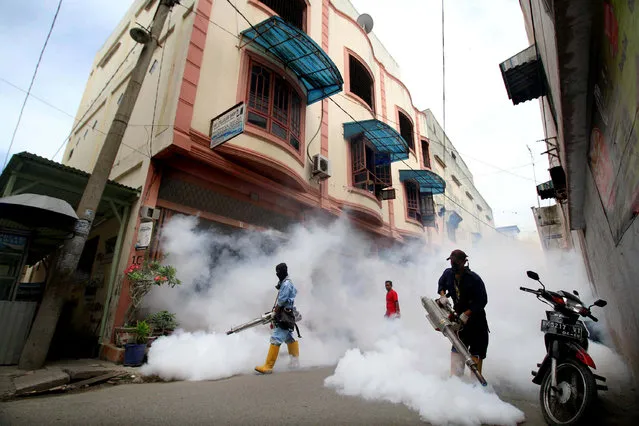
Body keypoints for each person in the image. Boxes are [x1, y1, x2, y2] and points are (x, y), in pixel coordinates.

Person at [437, 249, 489, 376]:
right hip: (459, 322)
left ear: (464, 262)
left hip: (477, 323)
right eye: (452, 262)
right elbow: (441, 284)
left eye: (457, 263)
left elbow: (482, 300)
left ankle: (475, 386)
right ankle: (455, 384)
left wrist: (467, 313)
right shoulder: (448, 274)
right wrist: (443, 296)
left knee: (475, 355)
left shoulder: (474, 279)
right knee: (457, 351)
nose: (454, 265)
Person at [255, 262, 299, 374]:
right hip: (286, 312)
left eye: (279, 271)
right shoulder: (285, 283)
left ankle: (268, 366)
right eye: (277, 271)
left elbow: (282, 301)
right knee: (289, 337)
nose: (277, 273)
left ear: (284, 271)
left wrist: (275, 312)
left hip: (284, 313)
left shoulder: (287, 284)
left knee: (276, 337)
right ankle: (294, 362)